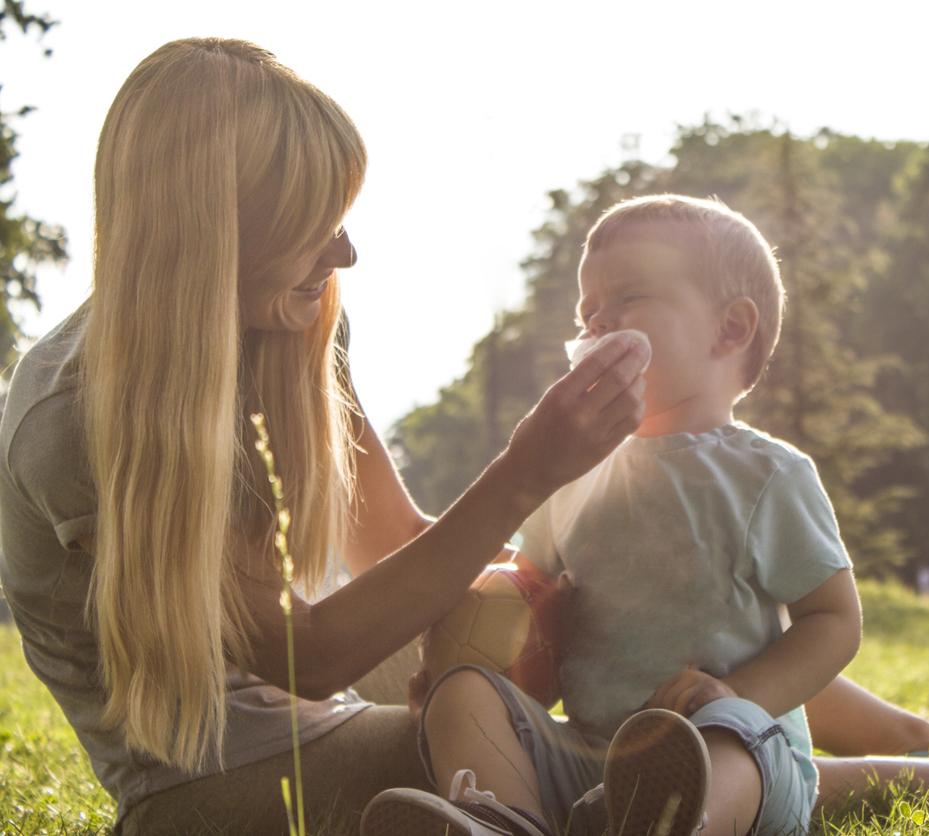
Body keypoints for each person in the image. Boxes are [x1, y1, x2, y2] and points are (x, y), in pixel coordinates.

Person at [361, 196, 929, 836]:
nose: (595, 323)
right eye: (585, 309)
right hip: (591, 750)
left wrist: (739, 696)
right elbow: (546, 629)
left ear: (729, 330)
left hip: (735, 745)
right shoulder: (573, 476)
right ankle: (500, 817)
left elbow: (835, 620)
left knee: (727, 751)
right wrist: (501, 649)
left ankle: (669, 818)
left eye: (625, 300)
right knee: (465, 693)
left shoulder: (767, 473)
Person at [0, 38, 651, 834]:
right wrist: (526, 471)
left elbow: (398, 542)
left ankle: (795, 747)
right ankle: (820, 782)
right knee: (532, 743)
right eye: (314, 228)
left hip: (324, 710)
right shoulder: (71, 418)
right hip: (200, 787)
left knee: (628, 639)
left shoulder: (284, 327)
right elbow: (308, 658)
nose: (344, 252)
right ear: (216, 236)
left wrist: (574, 593)